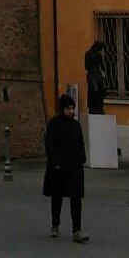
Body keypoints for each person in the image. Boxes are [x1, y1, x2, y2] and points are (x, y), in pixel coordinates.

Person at [43, 94, 89, 242]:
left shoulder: (76, 125)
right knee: (57, 196)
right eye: (68, 108)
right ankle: (55, 224)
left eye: (72, 108)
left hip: (74, 167)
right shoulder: (54, 123)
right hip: (58, 167)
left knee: (76, 199)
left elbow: (80, 142)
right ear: (62, 109)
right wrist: (55, 161)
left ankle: (77, 230)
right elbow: (50, 144)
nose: (70, 111)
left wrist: (82, 157)